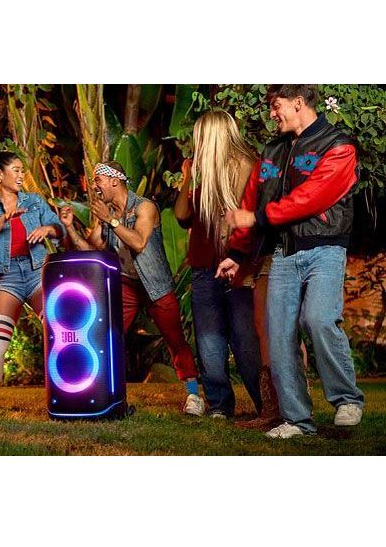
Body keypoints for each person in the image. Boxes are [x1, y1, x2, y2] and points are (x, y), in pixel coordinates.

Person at [218, 84, 365, 438]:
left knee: (319, 318)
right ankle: (297, 420)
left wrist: (256, 219)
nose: (272, 114)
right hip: (283, 252)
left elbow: (312, 197)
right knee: (278, 334)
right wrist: (237, 254)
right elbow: (252, 201)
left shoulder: (338, 145)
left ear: (298, 103)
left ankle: (347, 399)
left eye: (276, 105)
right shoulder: (272, 151)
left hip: (325, 248)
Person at [60, 161, 203, 415]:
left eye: (98, 180)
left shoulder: (145, 207)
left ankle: (194, 395)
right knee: (107, 337)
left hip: (155, 285)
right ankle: (102, 394)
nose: (94, 185)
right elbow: (91, 250)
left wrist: (111, 220)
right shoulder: (107, 214)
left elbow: (138, 242)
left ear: (114, 181)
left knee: (175, 340)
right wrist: (70, 226)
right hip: (126, 284)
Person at [174, 110, 264, 420]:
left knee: (245, 340)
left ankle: (264, 402)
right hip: (204, 266)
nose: (195, 143)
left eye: (200, 136)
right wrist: (188, 177)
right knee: (209, 340)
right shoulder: (204, 172)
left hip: (237, 266)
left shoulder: (244, 166)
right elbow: (182, 215)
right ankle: (220, 404)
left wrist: (236, 258)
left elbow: (245, 219)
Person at [0, 151, 64, 415]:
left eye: (23, 170)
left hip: (36, 272)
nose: (22, 175)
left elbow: (59, 228)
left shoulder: (34, 201)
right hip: (7, 277)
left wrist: (47, 229)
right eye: (16, 170)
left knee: (58, 330)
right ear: (0, 174)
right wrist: (4, 218)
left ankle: (66, 391)